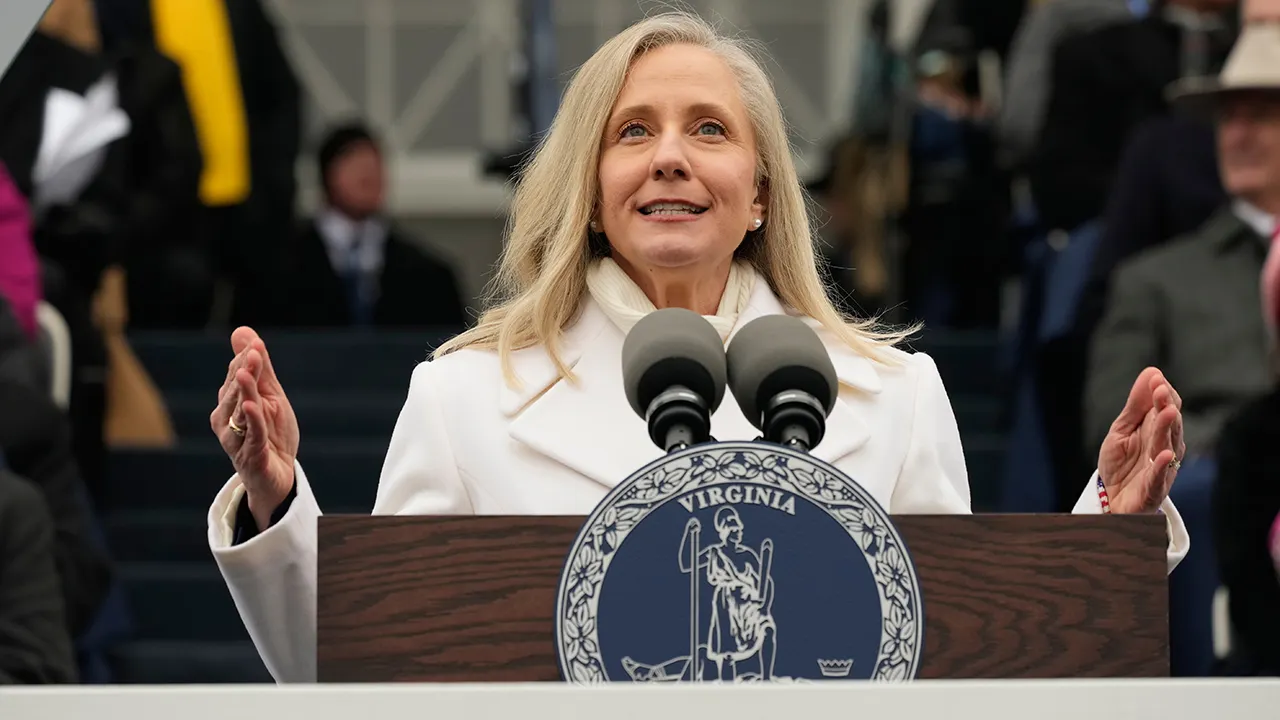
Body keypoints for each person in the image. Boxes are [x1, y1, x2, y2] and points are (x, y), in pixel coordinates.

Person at [206, 12, 1190, 684]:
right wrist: (278, 501)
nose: (670, 154)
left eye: (708, 129)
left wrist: (1106, 529)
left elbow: (964, 669)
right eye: (632, 131)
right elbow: (367, 676)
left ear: (758, 192)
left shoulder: (892, 393)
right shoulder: (463, 398)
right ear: (589, 193)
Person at [1086, 22, 1280, 461]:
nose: (1237, 135)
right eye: (1228, 118)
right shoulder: (1155, 281)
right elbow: (1115, 430)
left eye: (1262, 116)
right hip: (1209, 494)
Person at [277, 123, 467, 329]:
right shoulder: (275, 272)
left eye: (375, 165)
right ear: (326, 174)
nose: (368, 173)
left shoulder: (431, 277)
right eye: (353, 162)